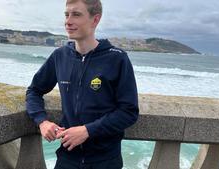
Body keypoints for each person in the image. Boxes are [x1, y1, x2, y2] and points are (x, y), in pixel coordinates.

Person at [26, 0, 139, 168]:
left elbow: (129, 112)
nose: (68, 21)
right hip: (67, 158)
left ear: (95, 20)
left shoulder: (117, 59)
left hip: (105, 160)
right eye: (66, 14)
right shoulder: (60, 56)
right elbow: (34, 90)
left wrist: (88, 130)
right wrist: (42, 121)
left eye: (76, 15)